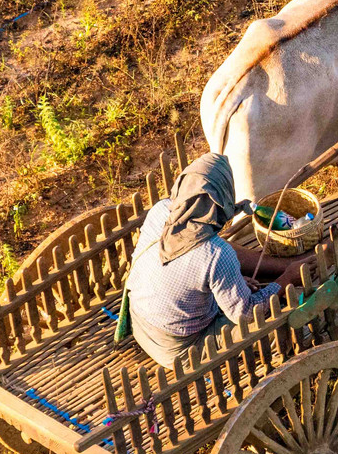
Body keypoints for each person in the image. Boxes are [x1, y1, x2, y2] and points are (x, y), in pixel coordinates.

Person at [124, 153, 307, 369]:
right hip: (180, 349)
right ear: (224, 195)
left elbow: (189, 266)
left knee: (221, 259)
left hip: (141, 324)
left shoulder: (160, 210)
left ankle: (281, 266)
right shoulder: (215, 254)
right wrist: (287, 279)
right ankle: (287, 269)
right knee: (284, 327)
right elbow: (247, 314)